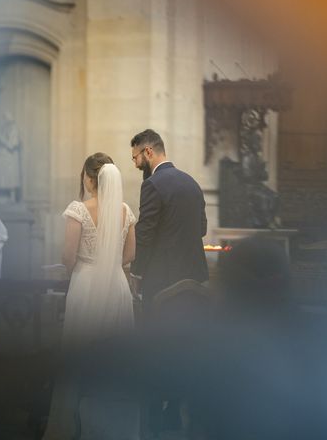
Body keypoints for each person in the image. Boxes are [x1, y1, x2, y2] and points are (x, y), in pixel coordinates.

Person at [43, 153, 138, 440]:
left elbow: (68, 256)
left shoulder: (79, 209)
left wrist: (74, 269)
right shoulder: (125, 211)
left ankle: (70, 425)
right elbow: (131, 255)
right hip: (117, 286)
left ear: (88, 177)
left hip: (85, 284)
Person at [129, 129, 209, 306]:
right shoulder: (192, 182)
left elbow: (144, 234)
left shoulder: (152, 184)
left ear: (148, 151)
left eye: (135, 158)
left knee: (159, 333)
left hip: (163, 282)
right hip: (196, 279)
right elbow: (202, 228)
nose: (135, 164)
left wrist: (136, 273)